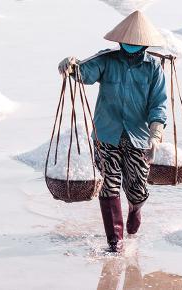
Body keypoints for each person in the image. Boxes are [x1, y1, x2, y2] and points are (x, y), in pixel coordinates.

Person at [58, 11, 168, 252]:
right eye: (126, 43)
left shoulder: (153, 69)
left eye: (135, 44)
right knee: (108, 185)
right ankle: (114, 242)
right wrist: (69, 64)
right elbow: (83, 73)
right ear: (119, 42)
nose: (130, 47)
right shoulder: (106, 60)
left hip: (138, 137)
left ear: (144, 45)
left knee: (137, 189)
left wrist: (155, 135)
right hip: (106, 134)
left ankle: (135, 208)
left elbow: (158, 105)